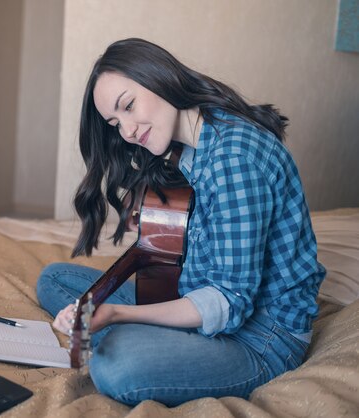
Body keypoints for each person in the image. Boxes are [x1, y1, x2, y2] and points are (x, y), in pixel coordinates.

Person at [36, 38, 326, 407]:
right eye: (114, 122)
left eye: (128, 106)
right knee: (55, 279)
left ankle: (133, 335)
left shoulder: (232, 159)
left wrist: (117, 313)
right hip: (195, 293)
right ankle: (136, 332)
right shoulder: (193, 143)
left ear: (159, 77)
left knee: (116, 367)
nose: (126, 130)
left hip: (260, 337)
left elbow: (230, 300)